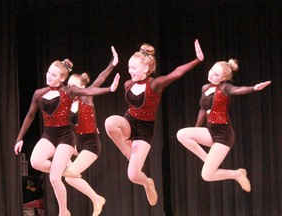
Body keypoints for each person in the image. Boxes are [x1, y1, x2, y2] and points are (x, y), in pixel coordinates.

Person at [14, 52, 120, 216]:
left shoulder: (71, 94)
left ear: (62, 79)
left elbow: (93, 87)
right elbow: (30, 115)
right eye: (48, 72)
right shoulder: (39, 93)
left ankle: (64, 211)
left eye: (54, 74)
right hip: (51, 136)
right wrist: (19, 138)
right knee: (36, 162)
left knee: (56, 178)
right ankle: (92, 195)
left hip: (69, 138)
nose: (49, 76)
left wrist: (110, 83)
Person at [104, 39, 204, 206]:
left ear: (146, 68)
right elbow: (131, 108)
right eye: (129, 67)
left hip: (145, 130)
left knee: (134, 176)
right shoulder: (128, 84)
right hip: (130, 121)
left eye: (134, 68)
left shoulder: (155, 84)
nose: (130, 71)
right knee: (110, 123)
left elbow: (176, 73)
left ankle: (148, 183)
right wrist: (124, 134)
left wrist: (197, 60)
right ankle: (126, 151)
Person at [176, 58, 271, 192]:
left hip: (223, 136)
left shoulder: (225, 88)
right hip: (211, 131)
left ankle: (237, 174)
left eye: (216, 74)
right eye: (212, 70)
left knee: (206, 175)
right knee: (182, 134)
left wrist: (254, 88)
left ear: (224, 78)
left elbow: (238, 90)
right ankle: (207, 159)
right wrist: (196, 129)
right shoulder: (205, 87)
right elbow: (203, 109)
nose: (211, 74)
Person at [64, 46, 118, 216]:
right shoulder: (67, 104)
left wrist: (112, 63)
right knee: (56, 151)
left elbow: (100, 79)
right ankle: (96, 198)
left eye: (74, 85)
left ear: (82, 87)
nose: (71, 88)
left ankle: (96, 198)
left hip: (91, 145)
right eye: (69, 84)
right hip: (77, 144)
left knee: (69, 176)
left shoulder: (87, 97)